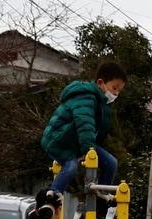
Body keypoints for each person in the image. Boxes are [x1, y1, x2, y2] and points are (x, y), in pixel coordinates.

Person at [42, 60, 126, 197]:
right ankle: (54, 192)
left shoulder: (102, 103)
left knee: (111, 162)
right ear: (100, 83)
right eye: (114, 88)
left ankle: (101, 190)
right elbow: (85, 125)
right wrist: (89, 151)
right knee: (70, 167)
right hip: (58, 141)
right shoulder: (86, 97)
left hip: (75, 141)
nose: (116, 93)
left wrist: (90, 148)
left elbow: (98, 131)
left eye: (119, 90)